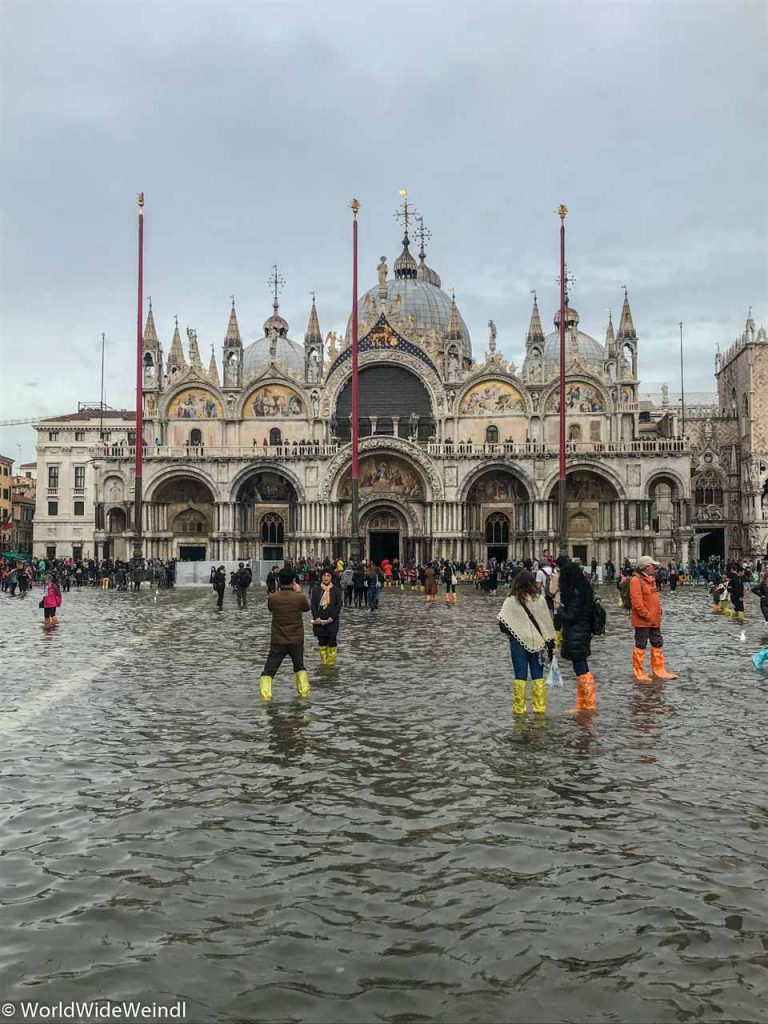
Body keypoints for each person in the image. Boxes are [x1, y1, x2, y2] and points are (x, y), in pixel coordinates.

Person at [498, 570, 555, 715]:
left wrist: (516, 630)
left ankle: (519, 711)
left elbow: (502, 624)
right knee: (538, 676)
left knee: (520, 676)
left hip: (518, 644)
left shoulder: (511, 601)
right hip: (539, 643)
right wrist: (551, 643)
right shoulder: (540, 600)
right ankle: (539, 709)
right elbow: (547, 624)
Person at [259, 568, 311, 701]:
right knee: (299, 667)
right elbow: (306, 608)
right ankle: (304, 695)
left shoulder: (273, 598)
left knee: (268, 671)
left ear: (279, 580)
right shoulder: (299, 597)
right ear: (294, 581)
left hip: (278, 640)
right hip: (296, 640)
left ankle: (266, 697)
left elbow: (271, 608)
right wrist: (299, 592)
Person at [629, 555, 677, 680]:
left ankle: (659, 669)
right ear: (645, 567)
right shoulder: (636, 580)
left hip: (655, 619)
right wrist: (646, 615)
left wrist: (658, 612)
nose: (655, 567)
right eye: (652, 565)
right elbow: (637, 603)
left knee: (657, 642)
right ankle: (639, 671)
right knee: (641, 644)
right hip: (643, 620)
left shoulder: (651, 579)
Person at [558, 559, 597, 712]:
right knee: (580, 667)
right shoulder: (584, 589)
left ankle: (588, 704)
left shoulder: (575, 593)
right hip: (583, 631)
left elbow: (570, 617)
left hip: (577, 633)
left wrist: (559, 609)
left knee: (581, 668)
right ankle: (584, 703)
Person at [310, 568, 342, 665]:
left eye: (328, 575)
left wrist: (332, 618)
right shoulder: (316, 590)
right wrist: (317, 617)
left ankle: (331, 664)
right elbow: (313, 605)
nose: (326, 577)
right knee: (322, 642)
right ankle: (324, 663)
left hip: (333, 621)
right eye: (324, 575)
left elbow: (338, 605)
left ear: (331, 577)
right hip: (319, 622)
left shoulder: (336, 590)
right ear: (321, 577)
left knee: (332, 641)